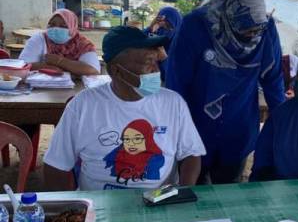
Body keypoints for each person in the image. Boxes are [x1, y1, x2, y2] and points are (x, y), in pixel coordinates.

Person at [44, 26, 205, 191]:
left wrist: (183, 193)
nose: (156, 71)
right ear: (116, 71)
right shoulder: (83, 106)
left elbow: (191, 154)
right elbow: (56, 165)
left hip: (159, 205)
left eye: (156, 62)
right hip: (100, 208)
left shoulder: (173, 103)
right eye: (148, 63)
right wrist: (69, 210)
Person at [167, 0, 285, 184]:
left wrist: (283, 122)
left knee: (230, 189)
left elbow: (273, 79)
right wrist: (179, 129)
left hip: (239, 127)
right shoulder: (194, 26)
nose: (252, 36)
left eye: (257, 29)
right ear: (229, 16)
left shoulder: (266, 29)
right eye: (246, 29)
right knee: (194, 189)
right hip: (196, 127)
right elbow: (177, 83)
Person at [19, 9, 100, 75]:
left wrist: (60, 61)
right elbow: (23, 65)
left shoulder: (82, 44)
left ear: (72, 27)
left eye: (63, 26)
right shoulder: (39, 39)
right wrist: (51, 68)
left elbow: (93, 70)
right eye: (52, 24)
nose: (56, 28)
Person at [144, 6, 183, 80]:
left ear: (177, 26)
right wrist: (150, 28)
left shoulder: (181, 46)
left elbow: (175, 78)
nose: (164, 30)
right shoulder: (153, 34)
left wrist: (164, 59)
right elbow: (137, 40)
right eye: (161, 25)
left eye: (168, 26)